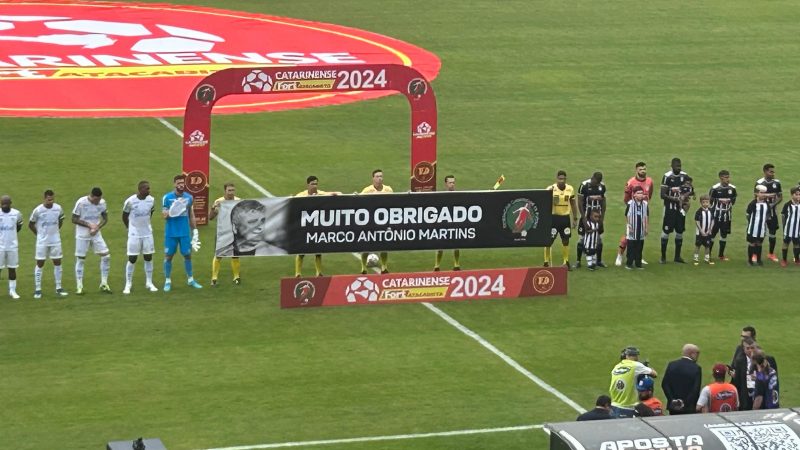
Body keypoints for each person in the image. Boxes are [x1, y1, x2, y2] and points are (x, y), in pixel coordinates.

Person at [162, 174, 202, 291]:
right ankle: (167, 280)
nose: (181, 185)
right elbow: (164, 216)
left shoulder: (189, 198)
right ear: (174, 184)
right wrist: (174, 210)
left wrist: (195, 231)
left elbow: (191, 215)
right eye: (178, 183)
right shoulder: (167, 198)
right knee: (168, 256)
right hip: (171, 233)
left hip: (184, 232)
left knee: (187, 255)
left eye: (182, 183)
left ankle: (190, 279)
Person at [294, 176, 340, 277]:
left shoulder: (320, 194)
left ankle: (318, 272)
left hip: (317, 226)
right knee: (301, 250)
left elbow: (333, 194)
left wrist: (336, 194)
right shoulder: (301, 196)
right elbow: (293, 203)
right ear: (308, 185)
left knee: (318, 249)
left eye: (316, 184)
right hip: (305, 226)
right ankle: (298, 273)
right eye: (313, 184)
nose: (315, 186)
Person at [28, 190, 68, 299]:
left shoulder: (58, 208)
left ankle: (59, 287)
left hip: (55, 240)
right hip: (42, 242)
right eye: (49, 199)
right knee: (40, 263)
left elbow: (60, 220)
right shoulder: (38, 210)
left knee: (57, 262)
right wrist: (39, 234)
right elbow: (31, 224)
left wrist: (55, 231)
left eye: (52, 199)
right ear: (44, 198)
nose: (51, 201)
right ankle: (38, 289)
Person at [72, 187, 111, 294]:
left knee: (106, 256)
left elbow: (105, 218)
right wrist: (89, 225)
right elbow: (74, 219)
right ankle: (79, 286)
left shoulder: (102, 203)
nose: (97, 202)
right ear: (92, 196)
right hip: (82, 234)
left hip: (96, 234)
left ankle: (104, 283)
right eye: (96, 200)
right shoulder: (81, 202)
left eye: (99, 200)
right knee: (81, 259)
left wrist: (97, 227)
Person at [121, 180, 158, 294]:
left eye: (149, 188)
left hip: (147, 233)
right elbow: (124, 216)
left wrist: (145, 225)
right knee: (132, 258)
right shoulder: (130, 201)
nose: (149, 190)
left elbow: (150, 213)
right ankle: (128, 284)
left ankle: (149, 282)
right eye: (147, 188)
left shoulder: (151, 200)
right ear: (140, 189)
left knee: (148, 257)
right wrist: (130, 228)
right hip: (134, 234)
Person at [616, 162, 654, 266]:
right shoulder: (631, 182)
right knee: (629, 234)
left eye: (644, 169)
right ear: (636, 170)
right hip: (632, 211)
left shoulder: (650, 181)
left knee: (641, 234)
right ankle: (620, 255)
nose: (643, 171)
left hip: (644, 209)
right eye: (641, 169)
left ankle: (638, 257)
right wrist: (632, 206)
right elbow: (626, 198)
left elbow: (649, 195)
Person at [359, 169, 393, 274]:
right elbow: (358, 202)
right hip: (370, 221)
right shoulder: (367, 190)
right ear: (373, 178)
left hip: (383, 221)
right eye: (377, 176)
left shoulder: (388, 190)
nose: (380, 178)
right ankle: (363, 267)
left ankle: (384, 266)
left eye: (381, 176)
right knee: (367, 244)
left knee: (384, 244)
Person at [609, 346, 658, 418]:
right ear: (635, 356)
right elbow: (654, 374)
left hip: (613, 405)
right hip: (627, 407)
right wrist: (645, 368)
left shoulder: (616, 367)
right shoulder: (636, 365)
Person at [545, 170, 578, 270]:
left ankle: (566, 262)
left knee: (566, 240)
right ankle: (546, 262)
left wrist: (575, 218)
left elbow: (573, 203)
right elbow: (544, 202)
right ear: (556, 179)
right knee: (548, 240)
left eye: (563, 179)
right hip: (554, 218)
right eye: (560, 179)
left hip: (565, 218)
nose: (562, 181)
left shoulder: (570, 189)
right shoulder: (551, 189)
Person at [660, 158, 691, 264]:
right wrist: (676, 199)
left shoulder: (684, 176)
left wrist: (686, 197)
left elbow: (690, 190)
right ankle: (663, 257)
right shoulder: (667, 177)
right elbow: (662, 195)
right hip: (669, 209)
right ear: (672, 166)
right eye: (677, 166)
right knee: (666, 232)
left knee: (680, 232)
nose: (679, 168)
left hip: (680, 210)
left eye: (680, 166)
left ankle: (677, 257)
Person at [209, 182, 241, 285]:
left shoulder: (238, 201)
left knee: (235, 255)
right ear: (225, 191)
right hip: (222, 233)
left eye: (233, 190)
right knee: (219, 255)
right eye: (229, 190)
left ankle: (236, 277)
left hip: (234, 233)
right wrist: (213, 208)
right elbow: (210, 217)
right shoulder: (219, 202)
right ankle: (214, 278)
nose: (231, 192)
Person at [576, 172, 606, 268]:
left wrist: (602, 218)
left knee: (598, 240)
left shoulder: (602, 186)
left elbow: (603, 201)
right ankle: (578, 261)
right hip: (586, 216)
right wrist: (584, 219)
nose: (596, 184)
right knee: (582, 239)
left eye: (598, 183)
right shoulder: (584, 185)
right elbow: (580, 202)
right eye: (595, 182)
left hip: (597, 217)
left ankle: (598, 261)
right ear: (592, 178)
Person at [661, 344, 702, 415]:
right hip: (689, 408)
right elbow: (695, 390)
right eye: (697, 353)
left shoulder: (672, 365)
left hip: (674, 407)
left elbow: (665, 384)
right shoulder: (696, 368)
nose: (698, 356)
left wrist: (672, 400)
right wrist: (684, 403)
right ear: (691, 354)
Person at [754, 163, 783, 262]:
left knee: (772, 233)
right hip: (761, 213)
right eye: (771, 171)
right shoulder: (759, 183)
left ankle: (771, 253)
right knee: (759, 233)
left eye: (773, 171)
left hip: (772, 212)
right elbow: (756, 198)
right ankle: (755, 254)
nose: (773, 173)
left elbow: (780, 197)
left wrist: (772, 205)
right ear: (765, 172)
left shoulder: (777, 183)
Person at [434, 175, 462, 271]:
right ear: (446, 184)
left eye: (453, 182)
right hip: (444, 222)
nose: (452, 184)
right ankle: (437, 266)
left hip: (454, 222)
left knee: (456, 245)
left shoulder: (458, 195)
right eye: (450, 182)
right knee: (440, 246)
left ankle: (456, 265)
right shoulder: (441, 195)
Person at [709, 170, 737, 261]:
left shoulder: (732, 189)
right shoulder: (715, 189)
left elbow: (733, 202)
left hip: (727, 216)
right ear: (721, 178)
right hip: (716, 216)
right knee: (712, 235)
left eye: (728, 177)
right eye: (726, 177)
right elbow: (711, 202)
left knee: (724, 235)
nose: (728, 179)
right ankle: (708, 254)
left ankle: (721, 255)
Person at [0, 195, 23, 299]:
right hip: (0, 246)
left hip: (12, 246)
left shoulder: (16, 214)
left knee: (12, 268)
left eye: (6, 204)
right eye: (2, 204)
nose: (4, 206)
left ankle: (12, 290)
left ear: (10, 203)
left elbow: (19, 226)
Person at [624, 186, 649, 269]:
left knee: (639, 245)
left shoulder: (645, 204)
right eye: (638, 193)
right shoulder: (630, 204)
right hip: (632, 227)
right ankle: (629, 263)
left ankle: (638, 263)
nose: (640, 195)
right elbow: (627, 215)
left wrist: (646, 227)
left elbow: (645, 216)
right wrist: (629, 226)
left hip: (641, 227)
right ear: (634, 195)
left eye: (642, 193)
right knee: (631, 246)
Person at [746, 185, 770, 266]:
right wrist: (752, 222)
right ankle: (750, 260)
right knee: (752, 243)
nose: (763, 194)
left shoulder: (766, 203)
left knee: (759, 243)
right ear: (756, 193)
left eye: (764, 193)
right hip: (753, 228)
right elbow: (748, 214)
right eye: (761, 193)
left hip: (762, 228)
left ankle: (759, 260)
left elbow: (768, 214)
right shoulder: (753, 204)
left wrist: (764, 221)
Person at [779, 186, 800, 267]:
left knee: (797, 244)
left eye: (799, 195)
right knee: (785, 243)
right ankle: (784, 260)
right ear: (792, 195)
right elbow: (783, 216)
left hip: (797, 229)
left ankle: (797, 259)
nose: (798, 196)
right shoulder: (787, 205)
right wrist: (784, 227)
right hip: (788, 228)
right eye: (796, 194)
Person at [693, 194, 715, 265]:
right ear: (701, 203)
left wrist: (710, 229)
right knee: (698, 245)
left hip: (708, 232)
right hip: (700, 232)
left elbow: (712, 220)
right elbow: (697, 221)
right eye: (704, 202)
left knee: (707, 245)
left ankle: (707, 259)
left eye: (707, 202)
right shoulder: (699, 211)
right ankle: (696, 258)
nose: (705, 204)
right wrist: (701, 231)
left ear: (709, 202)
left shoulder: (711, 211)